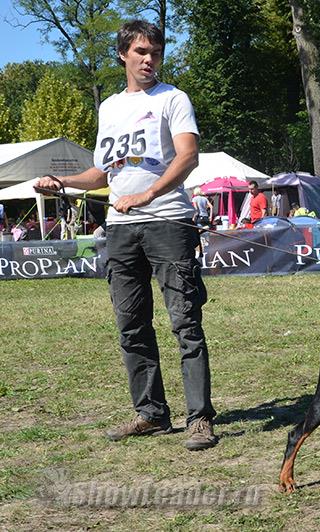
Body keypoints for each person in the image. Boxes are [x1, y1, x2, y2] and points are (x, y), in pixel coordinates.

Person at [35, 20, 217, 450]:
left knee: (185, 323)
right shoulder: (110, 107)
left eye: (154, 51)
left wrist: (147, 194)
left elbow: (188, 156)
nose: (149, 59)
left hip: (169, 221)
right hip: (119, 230)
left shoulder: (174, 98)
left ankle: (199, 419)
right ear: (122, 55)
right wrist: (63, 183)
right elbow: (104, 171)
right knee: (131, 326)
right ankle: (151, 414)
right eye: (140, 51)